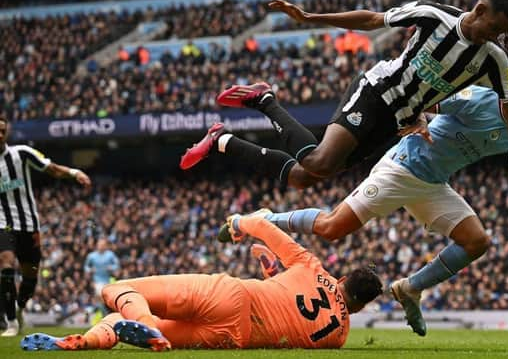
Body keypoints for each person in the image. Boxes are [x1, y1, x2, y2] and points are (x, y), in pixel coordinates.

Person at [216, 32, 508, 336]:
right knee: (331, 228)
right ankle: (266, 218)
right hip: (404, 168)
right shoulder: (482, 100)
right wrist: (418, 117)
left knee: (478, 241)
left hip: (433, 184)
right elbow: (431, 98)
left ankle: (410, 288)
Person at [180, 0, 508, 207]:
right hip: (377, 92)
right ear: (479, 11)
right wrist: (308, 17)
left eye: (500, 33)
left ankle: (221, 142)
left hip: (398, 121)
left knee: (305, 179)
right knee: (320, 162)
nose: (491, 37)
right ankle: (264, 100)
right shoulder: (433, 15)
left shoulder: (493, 59)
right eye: (492, 28)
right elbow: (372, 20)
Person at [21, 212, 382, 351]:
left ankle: (144, 326)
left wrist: (236, 225)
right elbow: (293, 308)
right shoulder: (339, 336)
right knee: (123, 321)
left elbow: (261, 224)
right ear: (362, 305)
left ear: (344, 275)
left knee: (114, 291)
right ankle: (85, 342)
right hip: (233, 336)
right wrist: (272, 271)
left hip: (229, 296)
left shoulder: (314, 267)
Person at [0, 116, 91, 337]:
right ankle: (10, 321)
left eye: (2, 130)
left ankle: (20, 307)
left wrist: (74, 173)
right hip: (3, 223)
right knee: (6, 264)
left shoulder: (21, 153)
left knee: (30, 277)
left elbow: (50, 168)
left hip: (29, 224)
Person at [84, 239, 120, 319]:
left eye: (103, 245)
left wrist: (111, 267)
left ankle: (93, 311)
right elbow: (86, 267)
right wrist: (90, 270)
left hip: (108, 280)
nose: (101, 247)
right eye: (100, 245)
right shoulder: (92, 256)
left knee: (106, 300)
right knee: (100, 297)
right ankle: (105, 315)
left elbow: (117, 265)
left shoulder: (110, 255)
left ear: (106, 246)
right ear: (97, 245)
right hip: (97, 281)